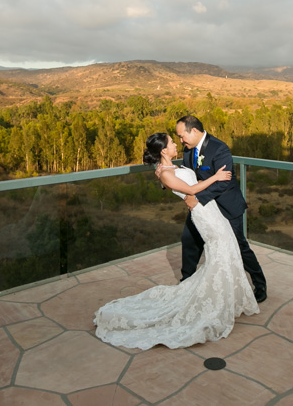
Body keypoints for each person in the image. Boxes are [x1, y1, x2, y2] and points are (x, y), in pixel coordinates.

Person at [93, 132, 258, 349]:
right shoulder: (165, 174)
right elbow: (190, 190)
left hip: (211, 209)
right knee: (220, 252)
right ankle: (216, 303)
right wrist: (216, 177)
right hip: (203, 214)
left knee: (228, 249)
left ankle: (229, 298)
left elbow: (188, 182)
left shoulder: (168, 168)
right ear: (163, 151)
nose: (175, 145)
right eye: (172, 142)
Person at [176, 115, 267, 303]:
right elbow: (188, 177)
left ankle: (260, 284)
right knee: (189, 239)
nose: (180, 140)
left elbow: (223, 183)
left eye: (181, 136)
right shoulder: (187, 151)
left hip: (227, 207)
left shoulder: (219, 148)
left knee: (239, 246)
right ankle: (186, 282)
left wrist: (197, 197)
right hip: (203, 209)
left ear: (193, 131)